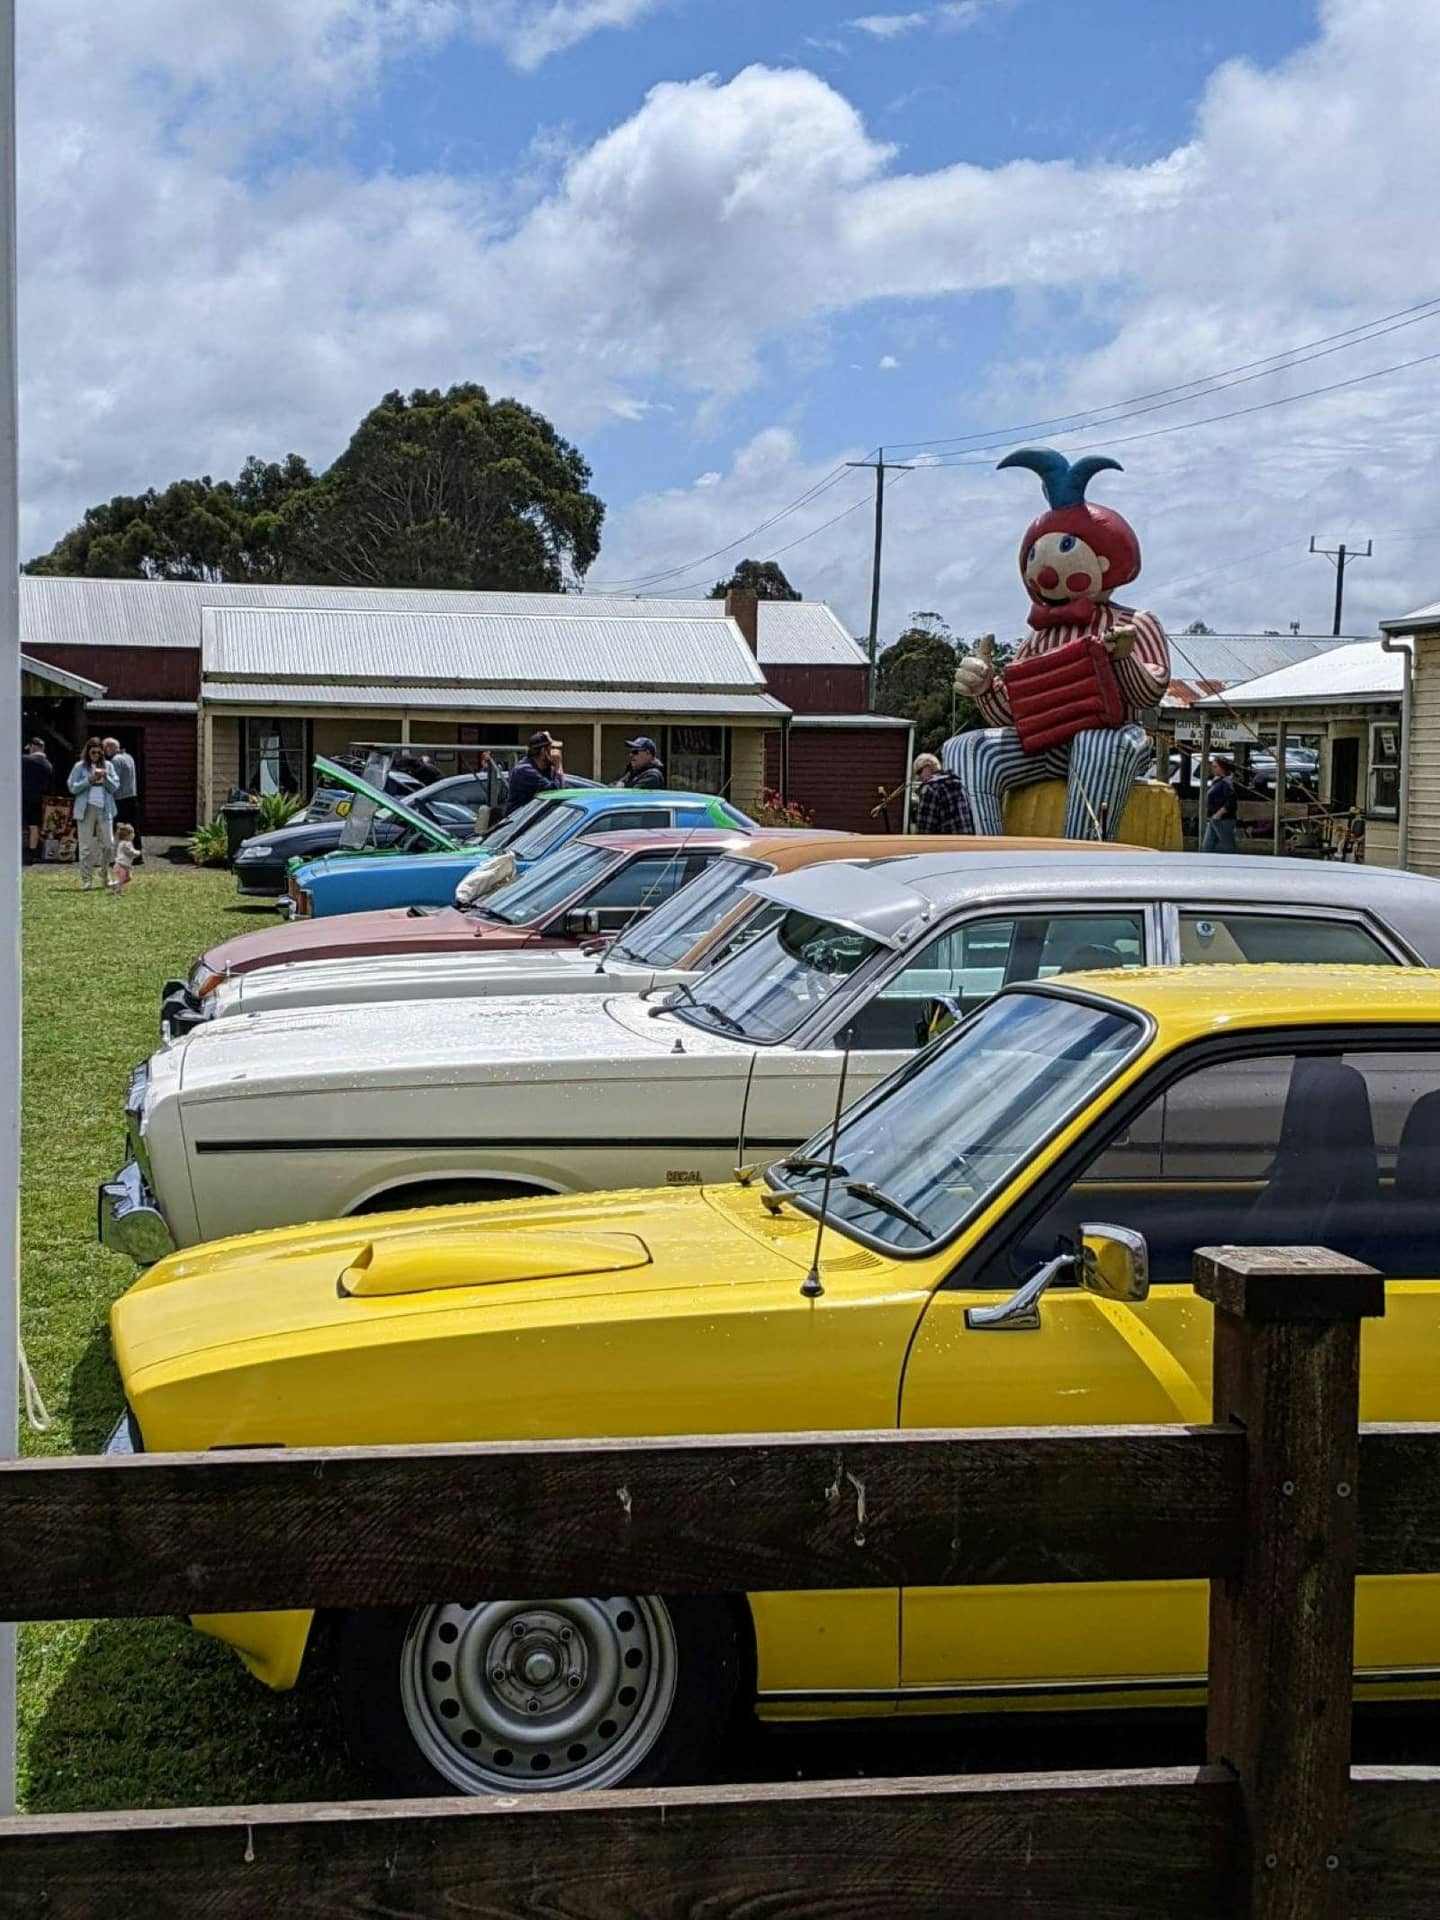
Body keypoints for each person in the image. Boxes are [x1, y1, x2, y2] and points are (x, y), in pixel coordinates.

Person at [943, 446, 1171, 842]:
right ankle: (987, 857)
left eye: (1066, 548)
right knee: (967, 748)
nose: (1045, 568)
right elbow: (1015, 713)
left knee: (1095, 743)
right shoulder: (1038, 638)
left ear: (1104, 560)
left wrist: (1122, 660)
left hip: (1117, 739)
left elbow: (1150, 692)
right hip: (1047, 747)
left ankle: (1079, 860)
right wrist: (984, 688)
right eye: (1036, 554)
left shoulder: (1136, 622)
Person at [67, 736, 120, 890]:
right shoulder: (79, 767)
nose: (95, 755)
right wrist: (89, 780)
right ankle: (86, 879)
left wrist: (105, 776)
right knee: (85, 847)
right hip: (85, 809)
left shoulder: (109, 766)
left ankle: (104, 873)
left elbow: (114, 787)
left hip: (105, 809)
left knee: (109, 844)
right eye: (93, 752)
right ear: (87, 752)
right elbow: (72, 787)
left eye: (98, 752)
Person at [912, 752, 974, 834]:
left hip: (943, 844)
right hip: (966, 843)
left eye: (919, 772)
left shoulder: (930, 788)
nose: (919, 777)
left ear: (928, 766)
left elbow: (924, 828)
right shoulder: (960, 785)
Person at [505, 730, 565, 816]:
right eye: (552, 748)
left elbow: (561, 792)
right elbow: (556, 792)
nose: (556, 752)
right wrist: (558, 765)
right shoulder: (525, 770)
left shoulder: (544, 769)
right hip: (518, 823)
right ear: (543, 751)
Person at [102, 736, 141, 855]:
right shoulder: (129, 757)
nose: (104, 752)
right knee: (133, 827)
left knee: (121, 829)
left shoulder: (115, 760)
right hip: (132, 796)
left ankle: (124, 854)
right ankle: (137, 853)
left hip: (120, 799)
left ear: (110, 747)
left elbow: (115, 782)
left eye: (105, 748)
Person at [21, 737, 53, 864]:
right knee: (34, 826)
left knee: (21, 824)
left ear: (32, 747)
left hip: (24, 796)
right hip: (39, 798)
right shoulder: (48, 765)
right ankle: (31, 852)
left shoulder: (25, 760)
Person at [1202, 753, 1239, 853]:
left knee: (1228, 847)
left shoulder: (1227, 783)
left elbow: (1231, 801)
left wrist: (1219, 813)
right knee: (1206, 847)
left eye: (1215, 767)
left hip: (1224, 820)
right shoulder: (1217, 781)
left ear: (1222, 768)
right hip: (1213, 819)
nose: (1213, 769)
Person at [109, 822, 139, 892]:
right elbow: (129, 852)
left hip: (125, 865)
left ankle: (115, 885)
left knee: (128, 878)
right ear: (127, 835)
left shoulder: (127, 843)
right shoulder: (124, 844)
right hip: (121, 865)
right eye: (132, 833)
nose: (134, 835)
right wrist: (136, 853)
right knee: (122, 878)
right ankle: (118, 890)